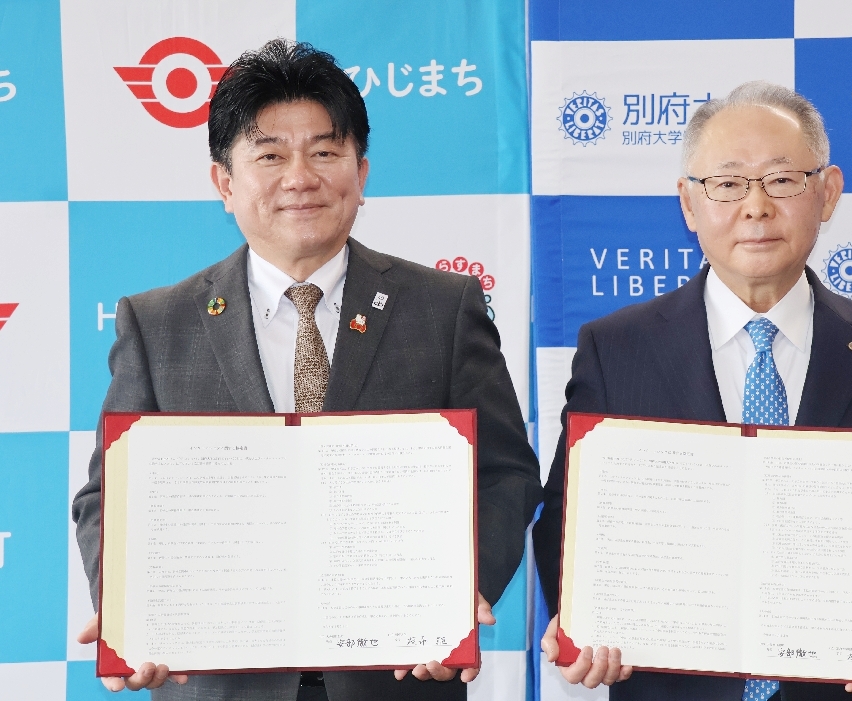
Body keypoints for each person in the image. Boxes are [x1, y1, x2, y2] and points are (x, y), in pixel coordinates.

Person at [71, 39, 542, 701]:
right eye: (270, 155)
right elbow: (108, 497)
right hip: (219, 682)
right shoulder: (159, 323)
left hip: (396, 678)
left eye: (324, 152)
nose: (300, 177)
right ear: (224, 183)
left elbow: (504, 472)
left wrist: (462, 590)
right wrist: (130, 611)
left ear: (361, 172)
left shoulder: (442, 308)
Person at [532, 81, 852, 701]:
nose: (756, 207)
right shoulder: (617, 348)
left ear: (828, 193)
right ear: (689, 203)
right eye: (728, 184)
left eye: (782, 180)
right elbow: (569, 512)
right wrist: (581, 623)